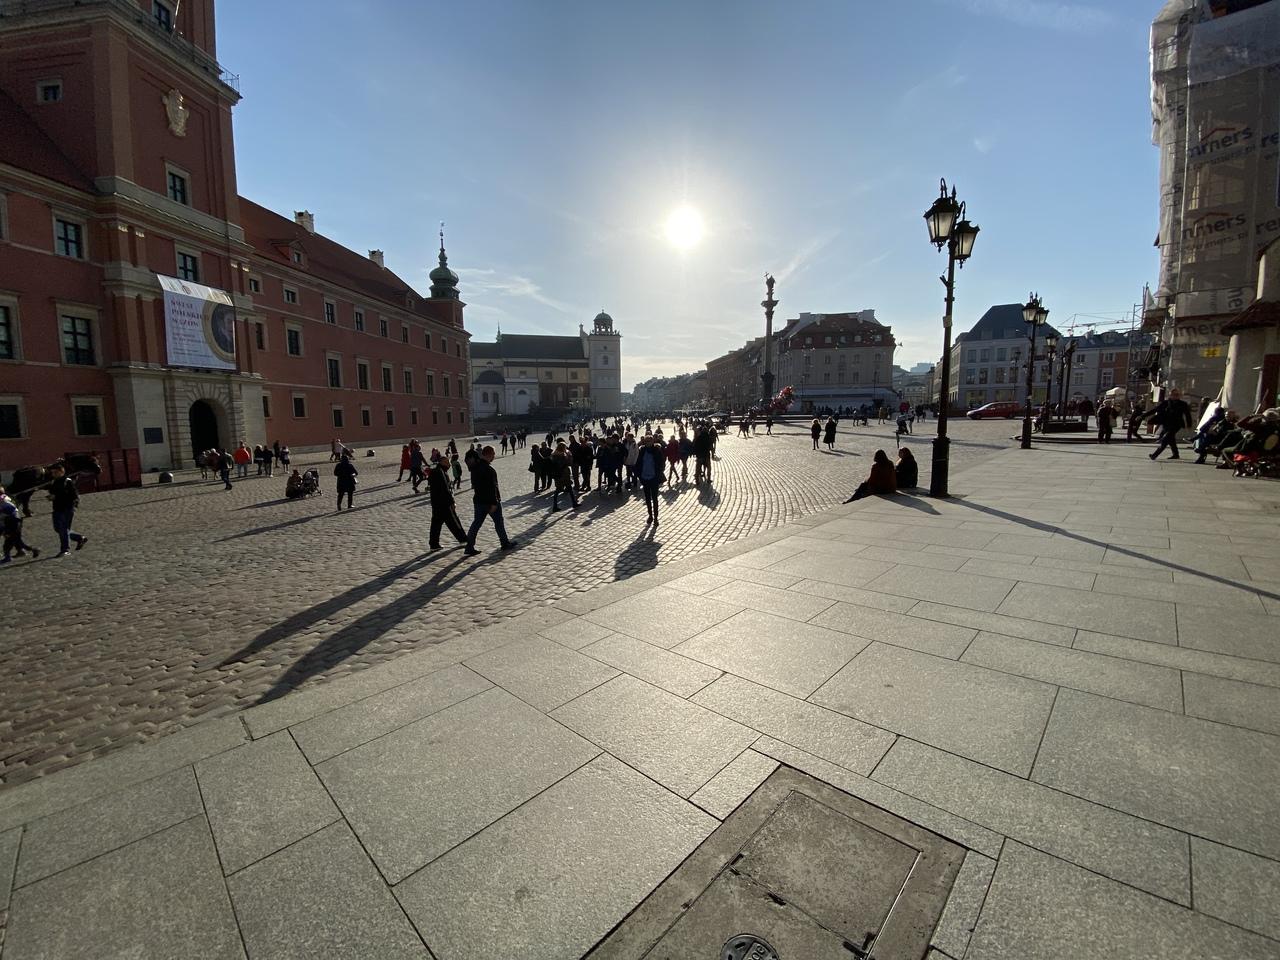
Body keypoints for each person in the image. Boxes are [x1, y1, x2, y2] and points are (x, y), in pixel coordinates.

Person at [465, 445, 517, 555]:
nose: (494, 456)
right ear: (489, 454)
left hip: (478, 500)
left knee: (476, 524)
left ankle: (469, 546)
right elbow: (492, 487)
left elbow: (475, 485)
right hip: (490, 502)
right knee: (499, 523)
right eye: (493, 454)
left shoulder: (475, 468)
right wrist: (494, 502)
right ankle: (504, 543)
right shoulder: (489, 469)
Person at [47, 460, 88, 557]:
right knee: (58, 529)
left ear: (61, 472)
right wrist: (51, 496)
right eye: (52, 473)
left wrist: (56, 497)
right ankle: (79, 538)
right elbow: (53, 492)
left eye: (55, 472)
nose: (53, 474)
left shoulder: (67, 482)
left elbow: (73, 496)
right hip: (57, 508)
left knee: (63, 529)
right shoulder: (54, 482)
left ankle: (65, 549)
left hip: (67, 508)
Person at [427, 455, 467, 550]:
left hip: (436, 503)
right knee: (454, 521)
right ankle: (463, 539)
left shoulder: (435, 471)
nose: (449, 464)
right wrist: (452, 502)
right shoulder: (440, 472)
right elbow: (445, 488)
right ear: (443, 462)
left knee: (436, 524)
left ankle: (434, 544)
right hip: (444, 503)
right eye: (448, 462)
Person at [1144, 388, 1194, 460]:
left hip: (1177, 424)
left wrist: (1189, 425)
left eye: (1177, 395)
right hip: (1166, 424)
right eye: (1174, 394)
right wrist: (1142, 416)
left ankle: (1155, 455)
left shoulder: (1183, 404)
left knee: (1165, 439)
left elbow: (1187, 415)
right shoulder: (1166, 403)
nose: (1175, 396)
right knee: (1171, 439)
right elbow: (1155, 410)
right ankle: (1176, 454)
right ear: (1170, 395)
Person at [1, 486, 38, 562]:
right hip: (14, 520)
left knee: (11, 540)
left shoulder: (2, 500)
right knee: (17, 540)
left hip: (13, 521)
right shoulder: (5, 497)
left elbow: (7, 511)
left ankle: (8, 557)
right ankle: (33, 550)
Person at [637, 433, 665, 525]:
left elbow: (662, 463)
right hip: (645, 478)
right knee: (647, 499)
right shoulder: (642, 450)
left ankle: (656, 517)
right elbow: (638, 463)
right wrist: (640, 476)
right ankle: (650, 515)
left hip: (654, 478)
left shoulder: (656, 450)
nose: (648, 443)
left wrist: (658, 474)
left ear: (652, 441)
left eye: (649, 441)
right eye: (646, 441)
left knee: (655, 498)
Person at [550, 441, 579, 512]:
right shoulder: (563, 455)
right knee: (564, 489)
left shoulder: (554, 454)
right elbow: (568, 463)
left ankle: (573, 503)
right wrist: (570, 457)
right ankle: (573, 503)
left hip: (557, 474)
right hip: (564, 474)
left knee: (560, 489)